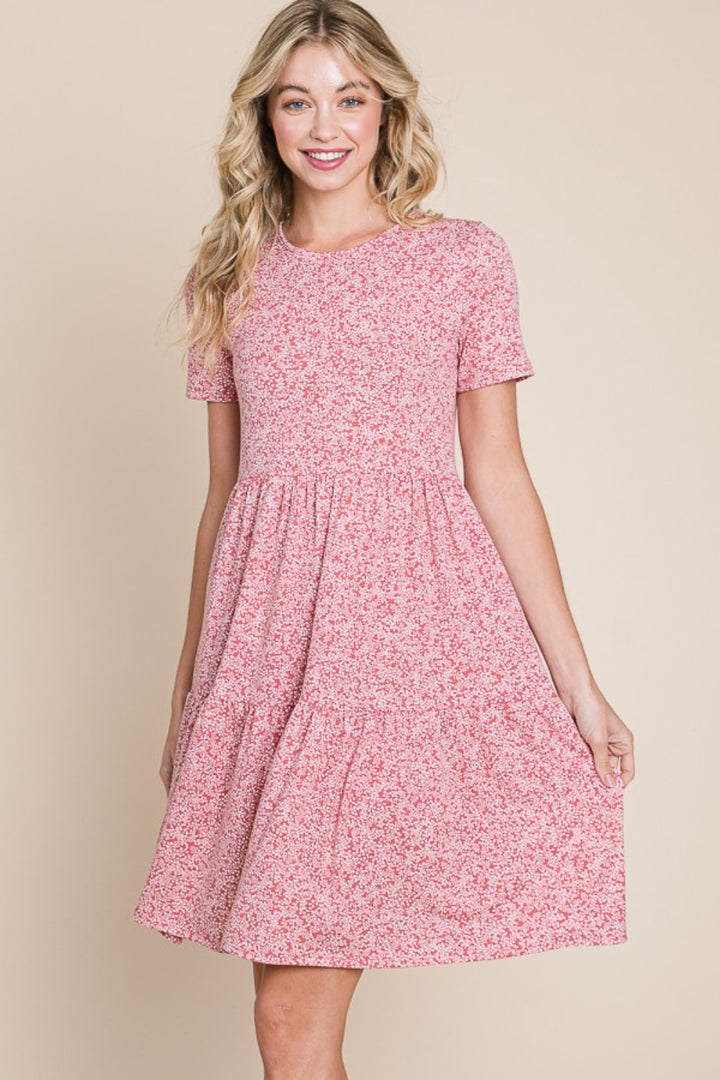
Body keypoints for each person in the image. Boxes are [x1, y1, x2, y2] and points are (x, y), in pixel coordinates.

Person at [133, 1, 635, 1076]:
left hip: (397, 645)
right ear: (263, 119)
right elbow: (223, 496)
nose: (326, 125)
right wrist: (191, 688)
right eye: (297, 99)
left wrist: (579, 688)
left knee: (286, 1012)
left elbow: (498, 473)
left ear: (387, 112)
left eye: (351, 98)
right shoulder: (231, 277)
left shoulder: (459, 260)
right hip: (269, 648)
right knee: (286, 1012)